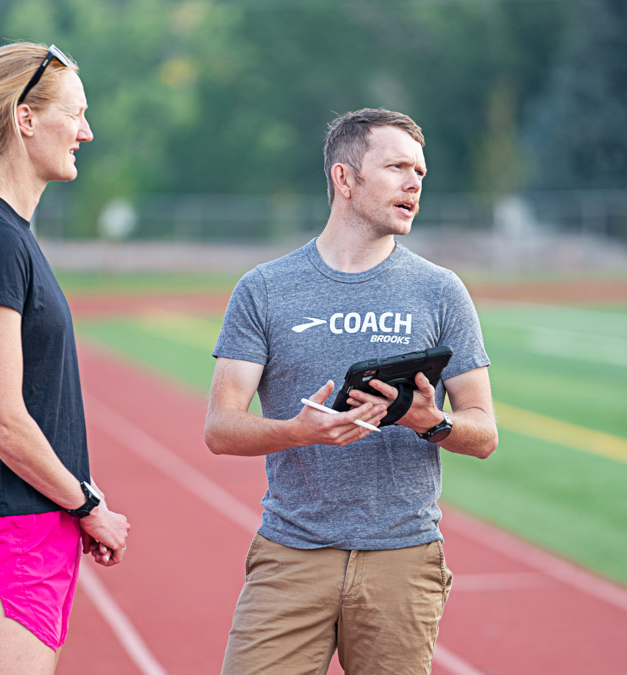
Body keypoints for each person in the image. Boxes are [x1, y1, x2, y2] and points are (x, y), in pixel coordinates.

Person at [205, 108, 499, 674]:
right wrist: (298, 431)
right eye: (396, 167)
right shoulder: (263, 289)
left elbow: (484, 432)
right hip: (291, 555)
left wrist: (426, 421)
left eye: (420, 172)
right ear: (345, 179)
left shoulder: (441, 291)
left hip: (404, 560)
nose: (414, 183)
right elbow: (220, 428)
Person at [0, 43, 130, 673]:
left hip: (24, 530)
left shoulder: (3, 233)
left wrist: (76, 499)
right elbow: (1, 419)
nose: (86, 132)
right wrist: (89, 505)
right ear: (25, 119)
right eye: (76, 113)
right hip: (2, 538)